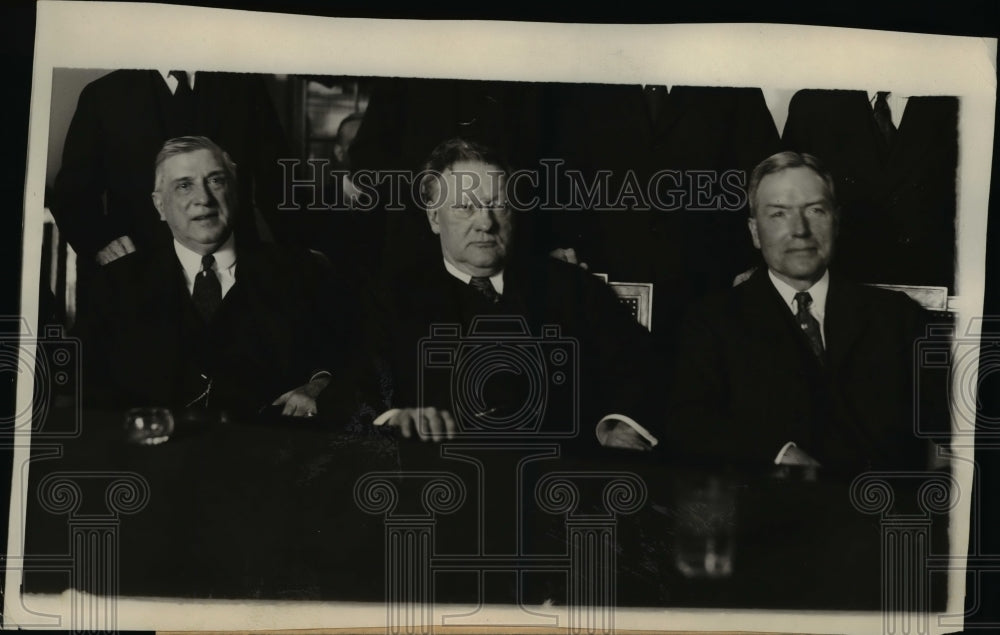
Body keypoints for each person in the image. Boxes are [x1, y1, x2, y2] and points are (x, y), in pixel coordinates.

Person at [353, 138, 660, 450]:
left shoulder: (572, 287)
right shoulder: (393, 298)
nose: (485, 223)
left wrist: (617, 421)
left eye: (497, 205)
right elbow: (362, 389)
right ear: (434, 218)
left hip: (562, 475)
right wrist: (394, 422)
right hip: (439, 475)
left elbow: (638, 364)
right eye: (464, 207)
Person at [665, 151, 946, 474]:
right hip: (768, 510)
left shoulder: (900, 318)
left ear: (836, 221)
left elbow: (943, 435)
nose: (800, 230)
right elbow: (688, 423)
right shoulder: (711, 321)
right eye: (779, 214)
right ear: (755, 232)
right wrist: (776, 453)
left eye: (815, 210)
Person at [74, 136, 349, 418]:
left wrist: (319, 388)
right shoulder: (114, 285)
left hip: (273, 452)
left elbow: (351, 362)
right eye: (184, 186)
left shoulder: (302, 271)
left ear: (236, 192)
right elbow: (88, 397)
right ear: (159, 206)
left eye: (216, 181)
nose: (203, 199)